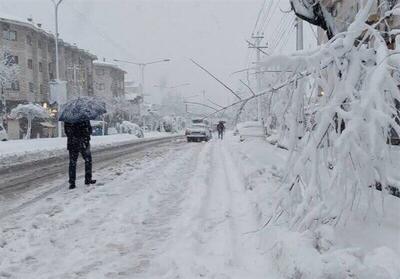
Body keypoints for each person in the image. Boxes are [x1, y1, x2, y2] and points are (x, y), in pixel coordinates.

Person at [64, 120, 96, 189]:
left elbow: (67, 132)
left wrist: (74, 135)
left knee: (72, 163)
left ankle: (72, 182)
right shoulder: (84, 117)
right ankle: (88, 179)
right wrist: (84, 133)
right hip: (83, 142)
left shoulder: (69, 118)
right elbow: (89, 130)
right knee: (88, 160)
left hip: (73, 143)